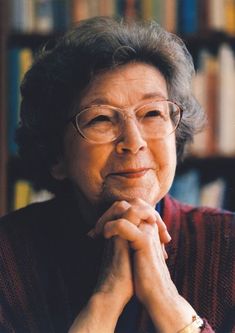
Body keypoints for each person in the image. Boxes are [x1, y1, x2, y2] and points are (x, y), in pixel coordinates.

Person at [0, 16, 234, 333]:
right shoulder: (8, 257)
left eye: (152, 113)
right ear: (56, 154)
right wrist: (105, 301)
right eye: (100, 119)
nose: (133, 142)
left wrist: (168, 302)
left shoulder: (227, 243)